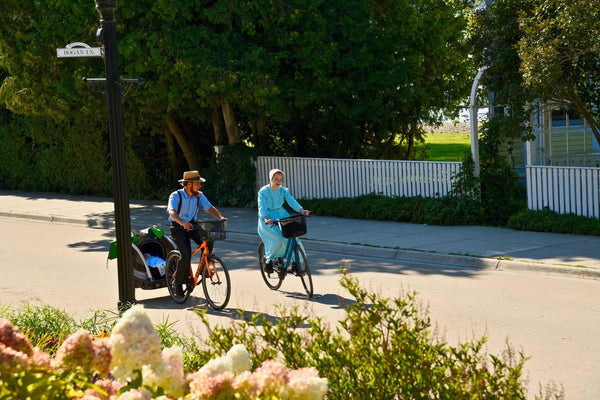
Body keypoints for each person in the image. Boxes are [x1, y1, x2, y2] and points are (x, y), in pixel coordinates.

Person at [167, 170, 226, 299]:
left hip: (192, 225)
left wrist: (220, 217)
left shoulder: (199, 195)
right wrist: (182, 223)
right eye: (197, 183)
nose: (200, 186)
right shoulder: (176, 196)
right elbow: (172, 212)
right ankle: (177, 283)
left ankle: (204, 268)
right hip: (178, 227)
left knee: (209, 240)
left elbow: (210, 208)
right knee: (186, 255)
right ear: (188, 184)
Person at [258, 169, 309, 272]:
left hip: (281, 215)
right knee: (277, 239)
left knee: (293, 237)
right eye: (276, 179)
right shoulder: (263, 191)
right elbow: (262, 207)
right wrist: (266, 218)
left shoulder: (283, 190)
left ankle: (295, 263)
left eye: (280, 179)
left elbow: (291, 200)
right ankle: (269, 261)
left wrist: (301, 210)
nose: (278, 182)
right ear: (271, 179)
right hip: (268, 217)